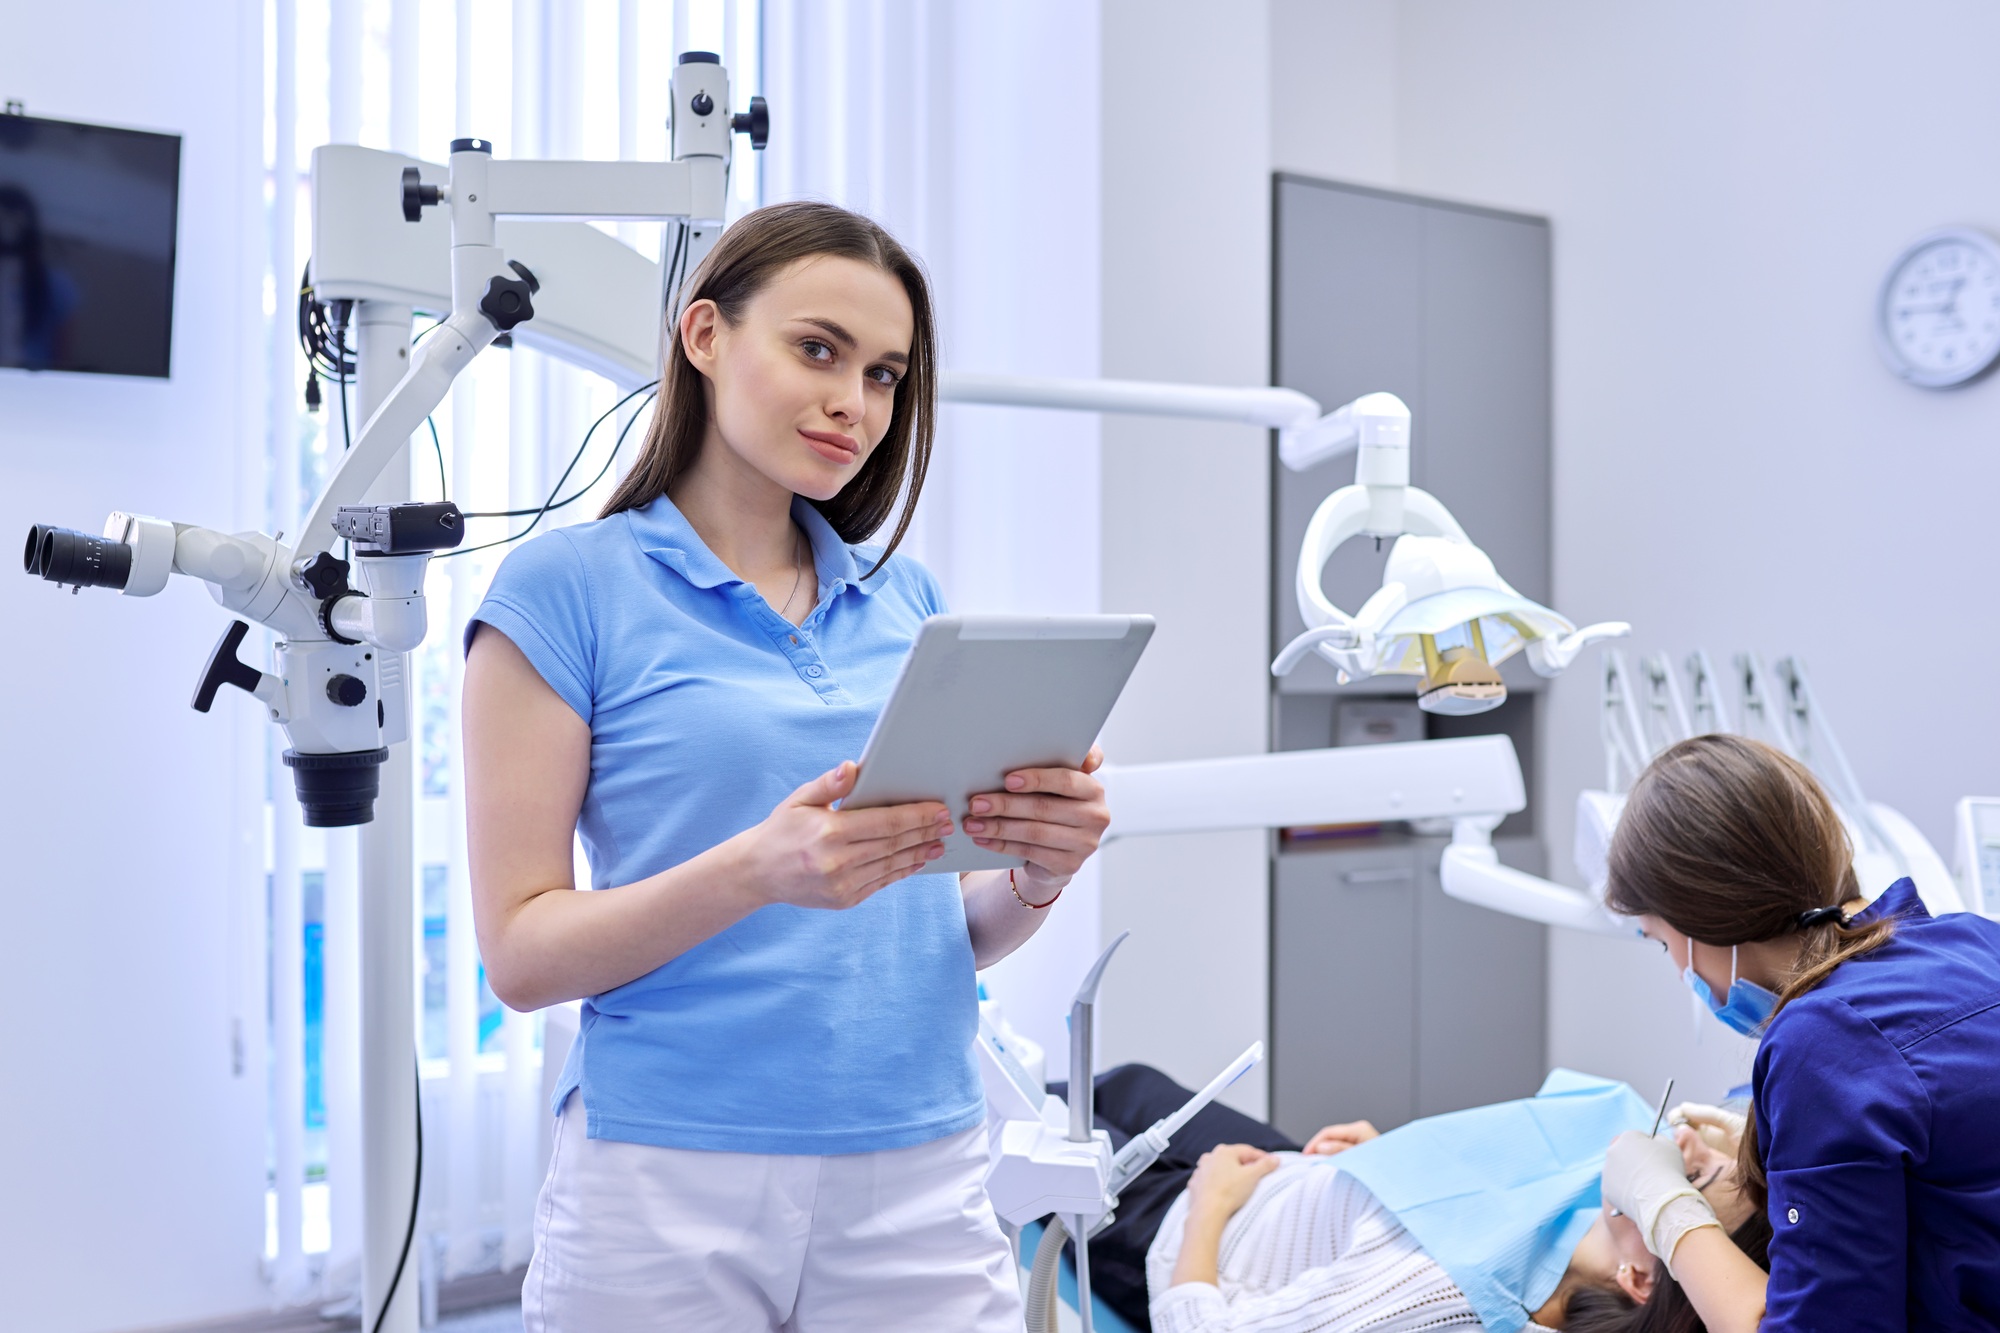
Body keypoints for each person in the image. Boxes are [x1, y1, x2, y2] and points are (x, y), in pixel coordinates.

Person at [461, 201, 1112, 1332]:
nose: (851, 403)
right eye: (817, 349)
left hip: (919, 1166)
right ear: (704, 337)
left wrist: (1034, 874)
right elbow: (521, 955)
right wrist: (756, 870)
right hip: (668, 1178)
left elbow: (932, 933)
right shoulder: (563, 594)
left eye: (883, 374)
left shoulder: (904, 600)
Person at [1598, 733, 2000, 1333]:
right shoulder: (1972, 940)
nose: (1679, 969)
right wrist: (1775, 1152)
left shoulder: (1821, 1043)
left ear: (1702, 919)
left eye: (1662, 942)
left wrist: (1665, 1207)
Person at [1049, 1064, 1760, 1332]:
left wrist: (1208, 1201)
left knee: (1040, 1125)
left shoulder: (1452, 1296)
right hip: (1309, 1184)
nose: (1689, 1149)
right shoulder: (1576, 1222)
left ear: (1639, 1277)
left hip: (1197, 1236)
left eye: (1688, 1183)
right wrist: (1393, 1164)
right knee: (1123, 1083)